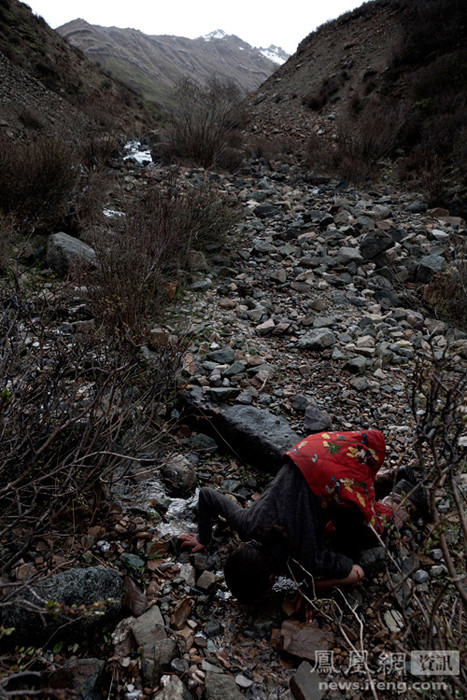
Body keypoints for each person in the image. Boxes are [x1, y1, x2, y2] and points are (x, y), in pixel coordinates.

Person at [178, 430, 426, 605]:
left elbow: (357, 572)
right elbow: (207, 495)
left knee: (373, 534)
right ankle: (393, 474)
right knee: (344, 490)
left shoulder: (304, 559)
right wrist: (204, 537)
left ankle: (407, 493)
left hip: (329, 473)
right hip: (314, 451)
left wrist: (310, 587)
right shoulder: (246, 525)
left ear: (272, 579)